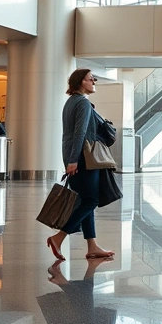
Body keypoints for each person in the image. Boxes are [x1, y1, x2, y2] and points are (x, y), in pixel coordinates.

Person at [46, 69, 114, 262]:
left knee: (86, 201)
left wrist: (69, 158)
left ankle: (92, 246)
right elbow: (80, 133)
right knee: (91, 201)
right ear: (79, 82)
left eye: (94, 78)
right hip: (84, 158)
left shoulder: (71, 102)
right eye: (89, 78)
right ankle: (58, 237)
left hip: (74, 156)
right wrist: (74, 160)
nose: (94, 81)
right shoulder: (83, 103)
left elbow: (69, 134)